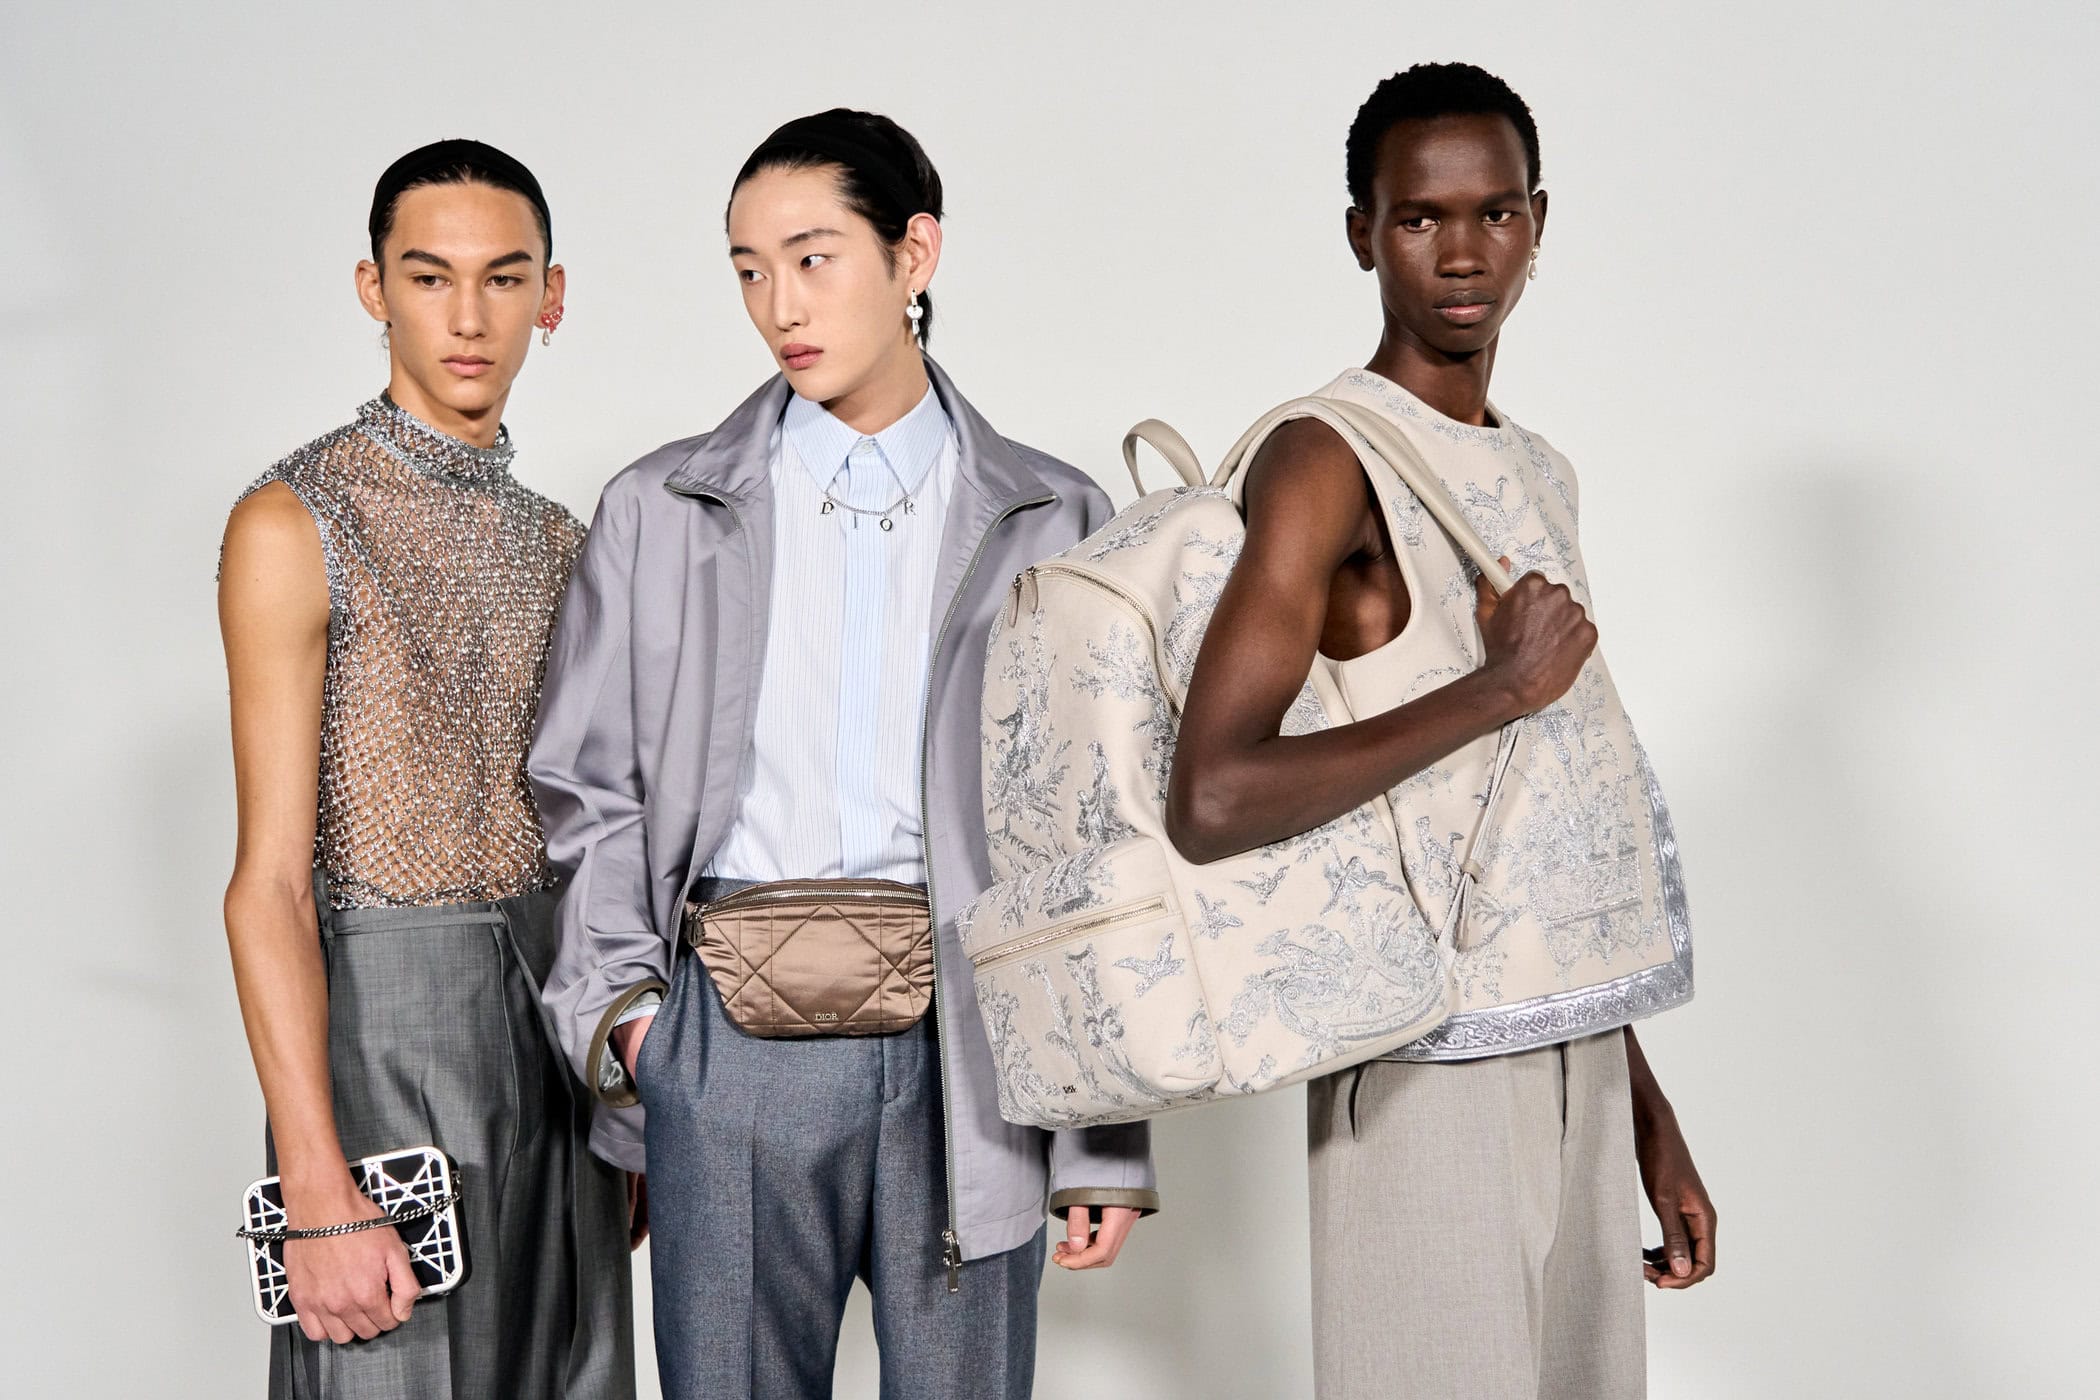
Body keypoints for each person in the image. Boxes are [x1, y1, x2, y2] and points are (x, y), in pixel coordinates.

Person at [529, 108, 1157, 1400]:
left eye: (813, 258)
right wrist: (638, 1033)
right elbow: (588, 786)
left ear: (914, 253)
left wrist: (1102, 1130)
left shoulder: (1054, 515)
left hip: (974, 1050)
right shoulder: (658, 511)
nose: (780, 305)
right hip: (729, 1042)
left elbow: (1100, 834)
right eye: (749, 269)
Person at [1163, 64, 1716, 1400]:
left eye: (1494, 212)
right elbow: (1213, 795)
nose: (1462, 251)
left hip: (1579, 1056)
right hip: (1424, 1063)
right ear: (1364, 232)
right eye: (1420, 217)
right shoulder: (1325, 455)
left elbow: (1531, 825)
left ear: (1537, 222)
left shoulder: (1539, 470)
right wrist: (1496, 686)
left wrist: (1646, 1114)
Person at [217, 139, 634, 1399]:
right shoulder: (295, 521)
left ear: (550, 297)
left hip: (556, 1030)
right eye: (429, 276)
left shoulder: (564, 542)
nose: (468, 317)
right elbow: (268, 883)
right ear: (374, 288)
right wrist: (313, 1181)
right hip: (387, 1028)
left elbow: (593, 839)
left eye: (504, 279)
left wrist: (622, 1108)